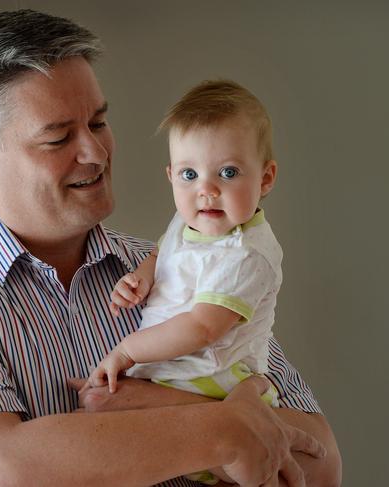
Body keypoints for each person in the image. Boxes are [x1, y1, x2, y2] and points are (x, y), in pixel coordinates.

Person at [0, 9, 341, 487]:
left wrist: (153, 406)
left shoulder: (191, 261)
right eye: (58, 137)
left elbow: (321, 465)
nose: (95, 152)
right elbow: (0, 471)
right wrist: (223, 429)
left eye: (98, 122)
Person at [84, 80, 285, 485]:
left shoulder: (244, 254)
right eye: (190, 174)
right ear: (171, 175)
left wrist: (126, 352)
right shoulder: (188, 220)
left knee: (101, 415)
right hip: (180, 372)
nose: (207, 190)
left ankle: (237, 457)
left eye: (228, 172)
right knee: (100, 419)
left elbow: (202, 327)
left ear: (265, 179)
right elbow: (164, 252)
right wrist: (141, 277)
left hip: (213, 381)